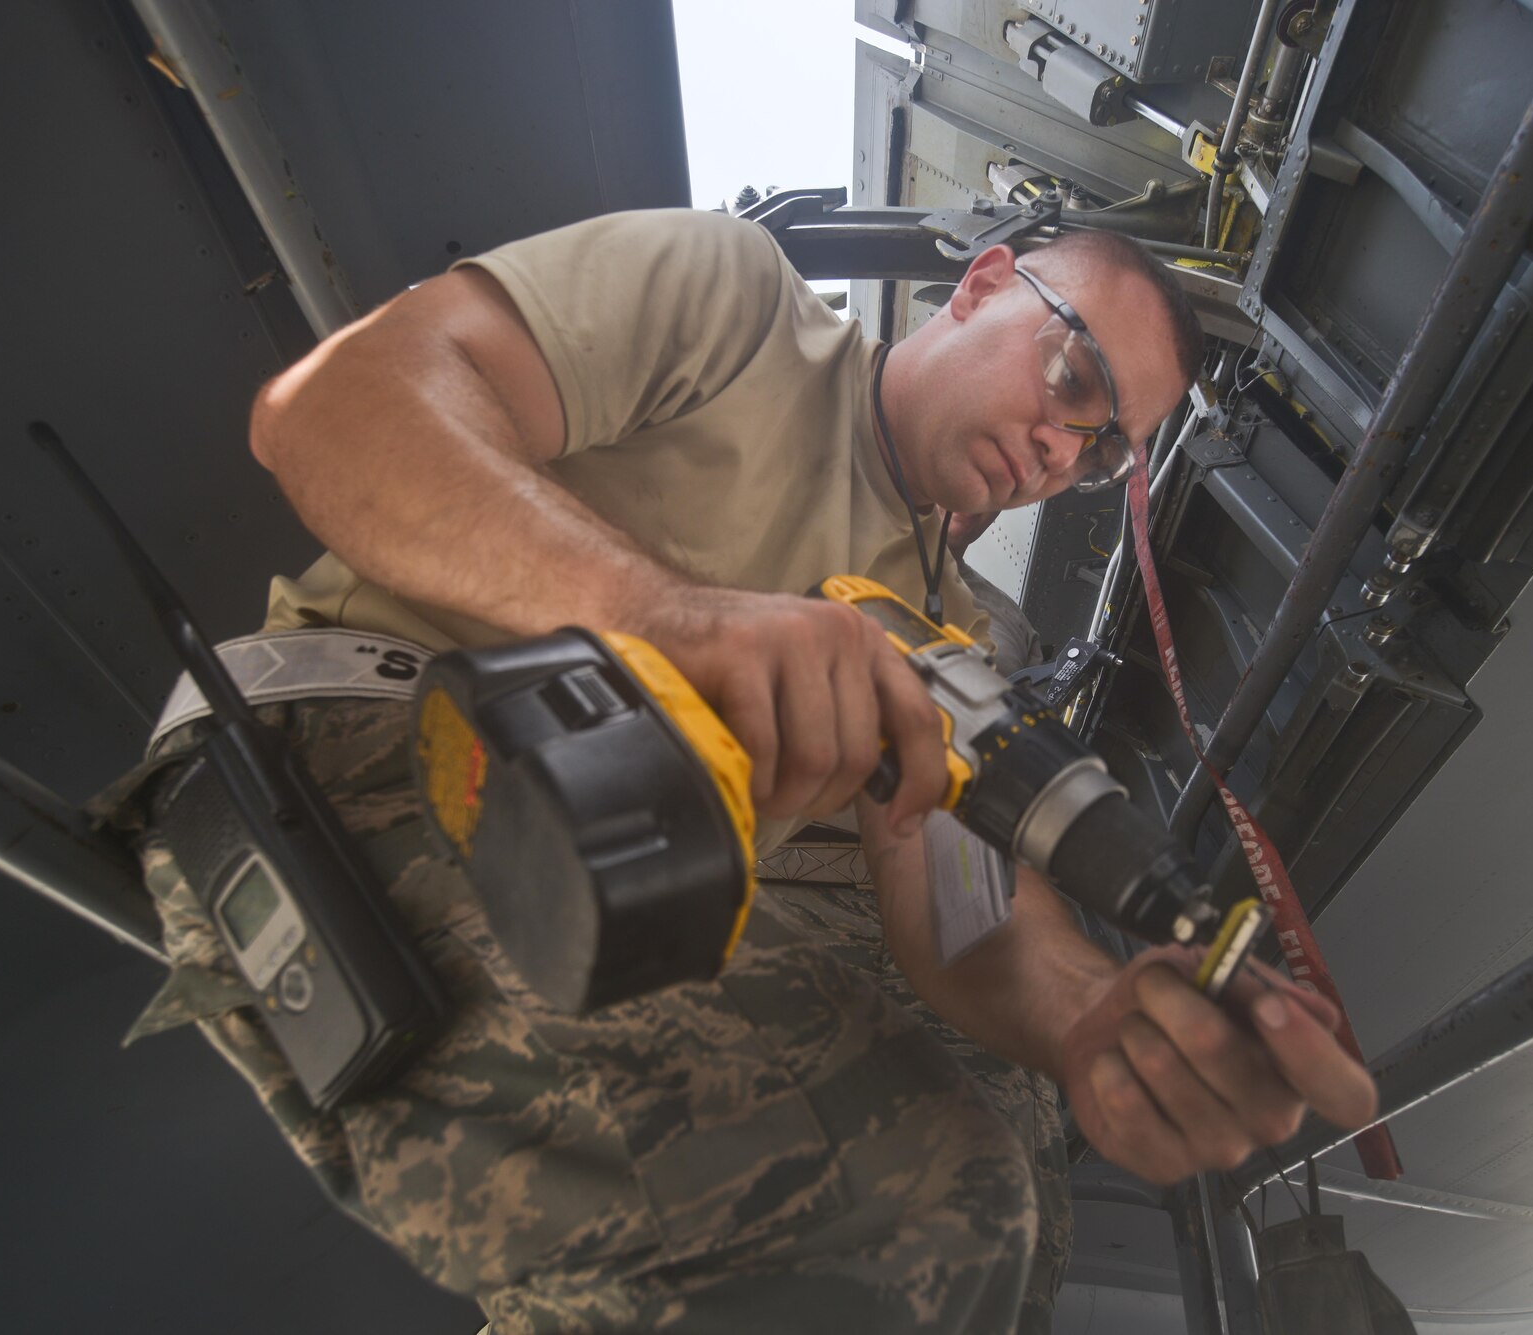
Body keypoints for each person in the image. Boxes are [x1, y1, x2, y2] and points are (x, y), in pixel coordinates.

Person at [118, 207, 1375, 1333]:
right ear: (984, 283)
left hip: (617, 885)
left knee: (1006, 1189)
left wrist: (1089, 1016)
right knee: (922, 1204)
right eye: (1071, 377)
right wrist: (658, 612)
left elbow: (963, 917)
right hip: (362, 753)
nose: (1061, 450)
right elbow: (332, 411)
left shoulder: (964, 636)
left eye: (1101, 453)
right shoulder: (739, 308)